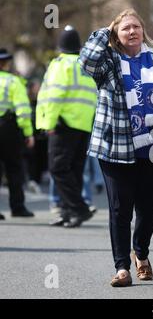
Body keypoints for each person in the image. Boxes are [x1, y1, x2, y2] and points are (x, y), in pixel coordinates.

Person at [79, 8, 153, 287]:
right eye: (124, 28)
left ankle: (140, 251)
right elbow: (86, 60)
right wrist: (106, 30)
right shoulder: (108, 62)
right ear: (115, 34)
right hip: (115, 146)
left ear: (143, 31)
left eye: (135, 27)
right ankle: (122, 267)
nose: (131, 32)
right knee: (120, 209)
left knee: (150, 209)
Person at [36, 25, 97, 228]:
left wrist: (49, 122)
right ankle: (69, 212)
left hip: (63, 123)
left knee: (58, 168)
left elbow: (54, 95)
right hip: (83, 124)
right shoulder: (85, 64)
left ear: (61, 46)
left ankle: (78, 208)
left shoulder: (60, 64)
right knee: (74, 169)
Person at [0, 48, 35, 220]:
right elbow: (22, 110)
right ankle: (17, 207)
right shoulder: (13, 82)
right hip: (8, 129)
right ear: (6, 63)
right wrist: (28, 133)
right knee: (14, 168)